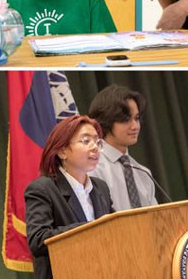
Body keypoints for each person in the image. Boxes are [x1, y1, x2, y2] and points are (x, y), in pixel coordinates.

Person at [25, 115, 115, 279]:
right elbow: (38, 240)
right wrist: (89, 230)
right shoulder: (43, 189)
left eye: (97, 141)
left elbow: (115, 230)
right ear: (62, 151)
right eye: (86, 141)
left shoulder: (101, 188)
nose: (95, 147)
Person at [88, 84, 157, 211]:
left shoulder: (143, 173)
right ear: (106, 121)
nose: (135, 126)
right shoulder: (92, 169)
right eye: (126, 120)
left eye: (136, 118)